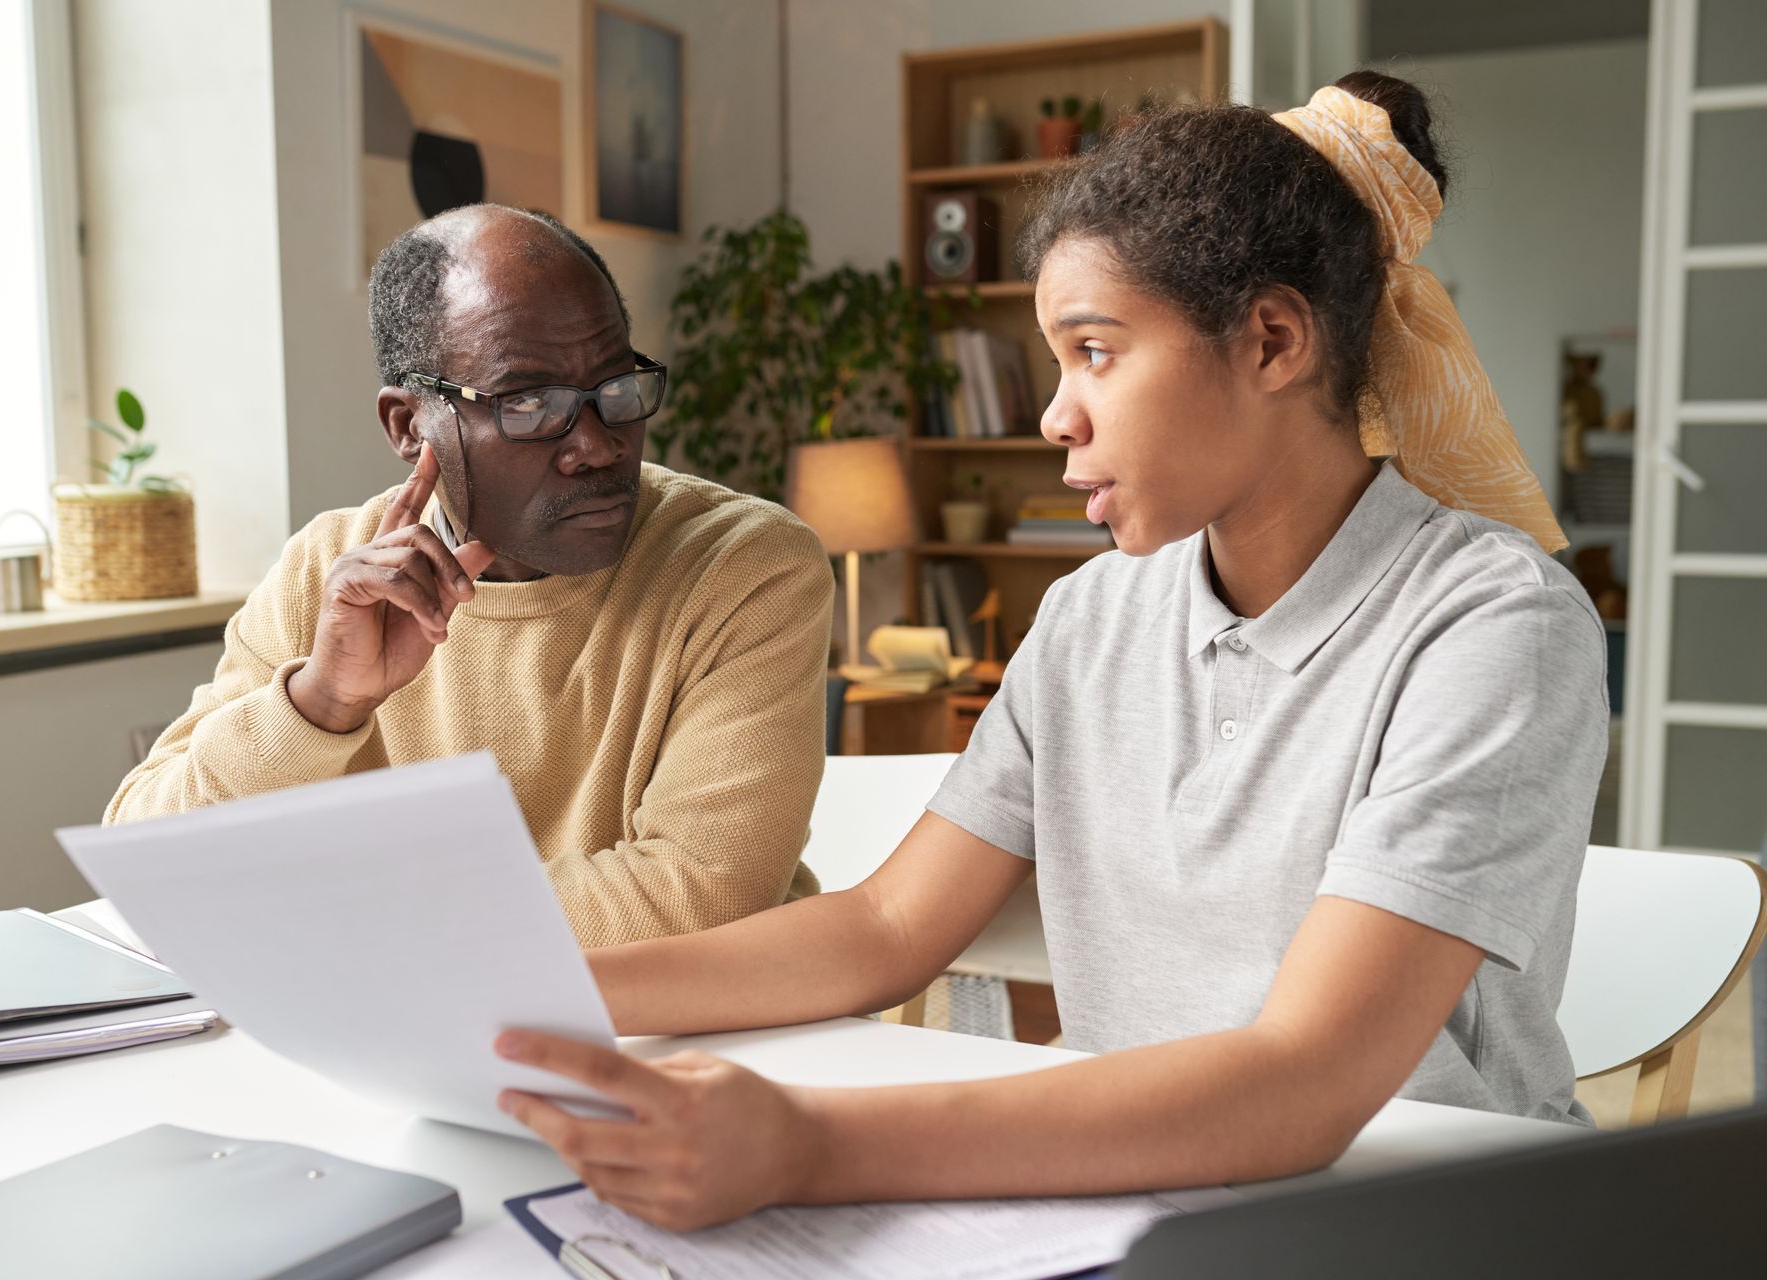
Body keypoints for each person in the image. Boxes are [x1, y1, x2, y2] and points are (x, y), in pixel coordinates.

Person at [489, 73, 1610, 1229]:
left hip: (1430, 1231)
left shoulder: (1494, 627)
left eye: (1096, 351)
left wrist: (809, 1143)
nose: (1054, 414)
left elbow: (1304, 1078)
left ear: (1273, 340)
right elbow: (885, 929)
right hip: (1150, 1208)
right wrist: (527, 998)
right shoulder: (1088, 620)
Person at [107, 205, 835, 946]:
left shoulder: (744, 566)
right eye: (527, 402)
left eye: (617, 387)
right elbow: (147, 864)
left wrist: (346, 918)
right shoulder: (328, 573)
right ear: (407, 424)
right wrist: (322, 702)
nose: (595, 443)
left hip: (692, 1041)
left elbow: (702, 894)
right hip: (390, 1031)